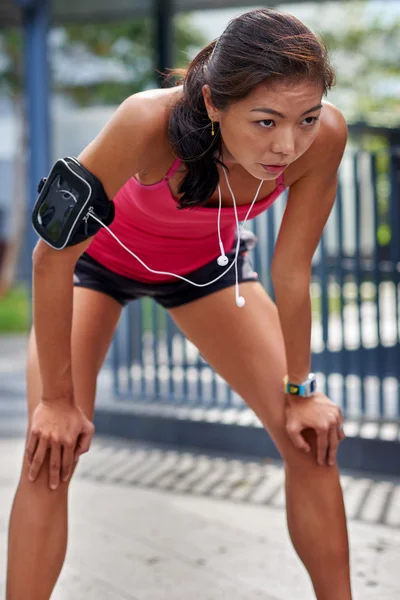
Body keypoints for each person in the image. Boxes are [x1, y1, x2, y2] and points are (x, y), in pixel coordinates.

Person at [6, 8, 351, 600]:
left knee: (309, 441)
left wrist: (301, 391)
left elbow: (292, 273)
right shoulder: (146, 121)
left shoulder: (324, 140)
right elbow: (50, 256)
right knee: (50, 452)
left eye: (306, 118)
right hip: (94, 267)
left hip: (208, 272)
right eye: (265, 121)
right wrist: (58, 403)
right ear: (215, 103)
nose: (287, 145)